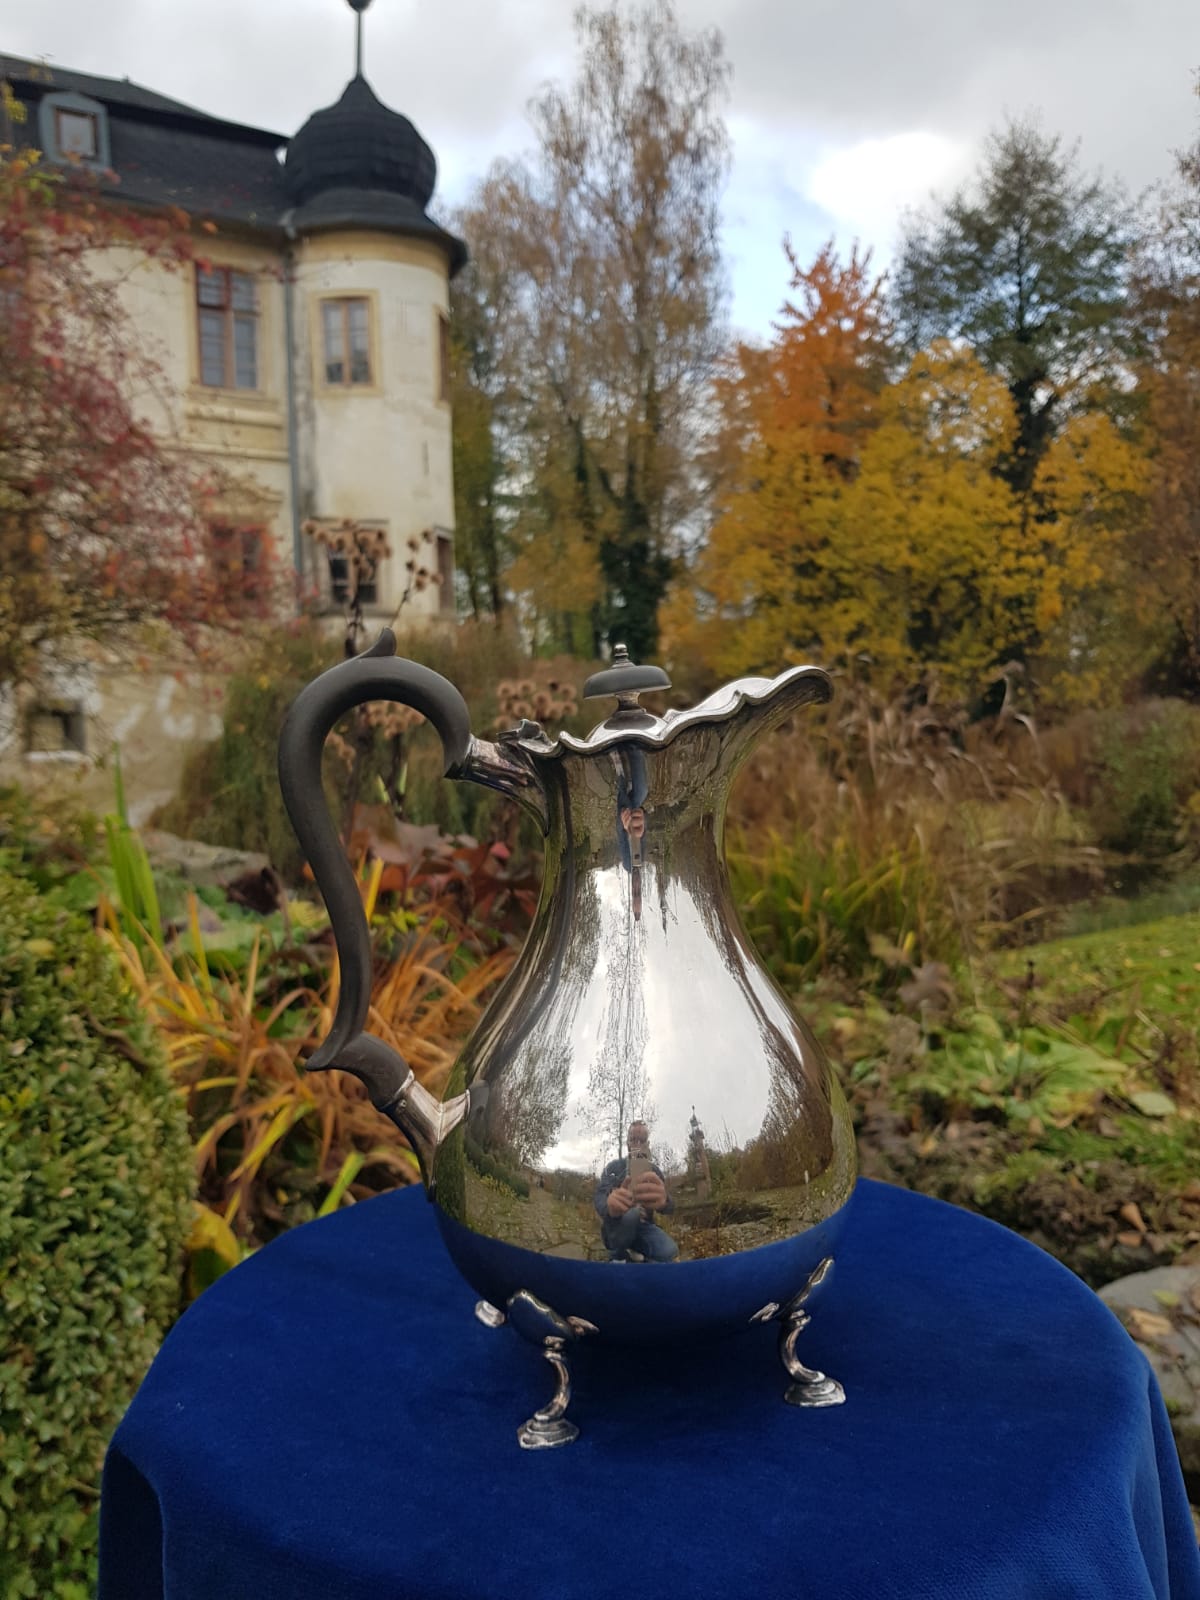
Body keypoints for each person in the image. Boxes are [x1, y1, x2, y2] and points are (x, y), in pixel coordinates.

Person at [594, 1121, 678, 1261]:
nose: (637, 1144)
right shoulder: (613, 1167)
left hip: (644, 1227)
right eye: (633, 1140)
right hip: (616, 1227)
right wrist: (608, 1205)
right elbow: (599, 1195)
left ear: (647, 1144)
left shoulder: (654, 1171)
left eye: (642, 1140)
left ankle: (634, 1251)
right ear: (627, 1143)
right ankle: (618, 1253)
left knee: (670, 1251)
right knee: (632, 1213)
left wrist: (665, 1202)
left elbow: (671, 1205)